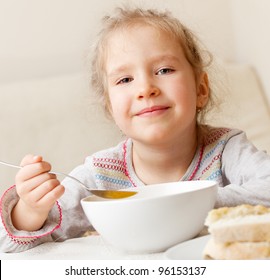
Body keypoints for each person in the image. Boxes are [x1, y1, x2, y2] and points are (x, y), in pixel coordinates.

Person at [1, 6, 270, 253]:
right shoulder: (98, 177)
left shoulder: (225, 150)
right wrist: (29, 210)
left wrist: (183, 206)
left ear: (200, 89)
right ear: (110, 107)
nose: (145, 89)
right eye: (125, 79)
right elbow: (9, 244)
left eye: (164, 70)